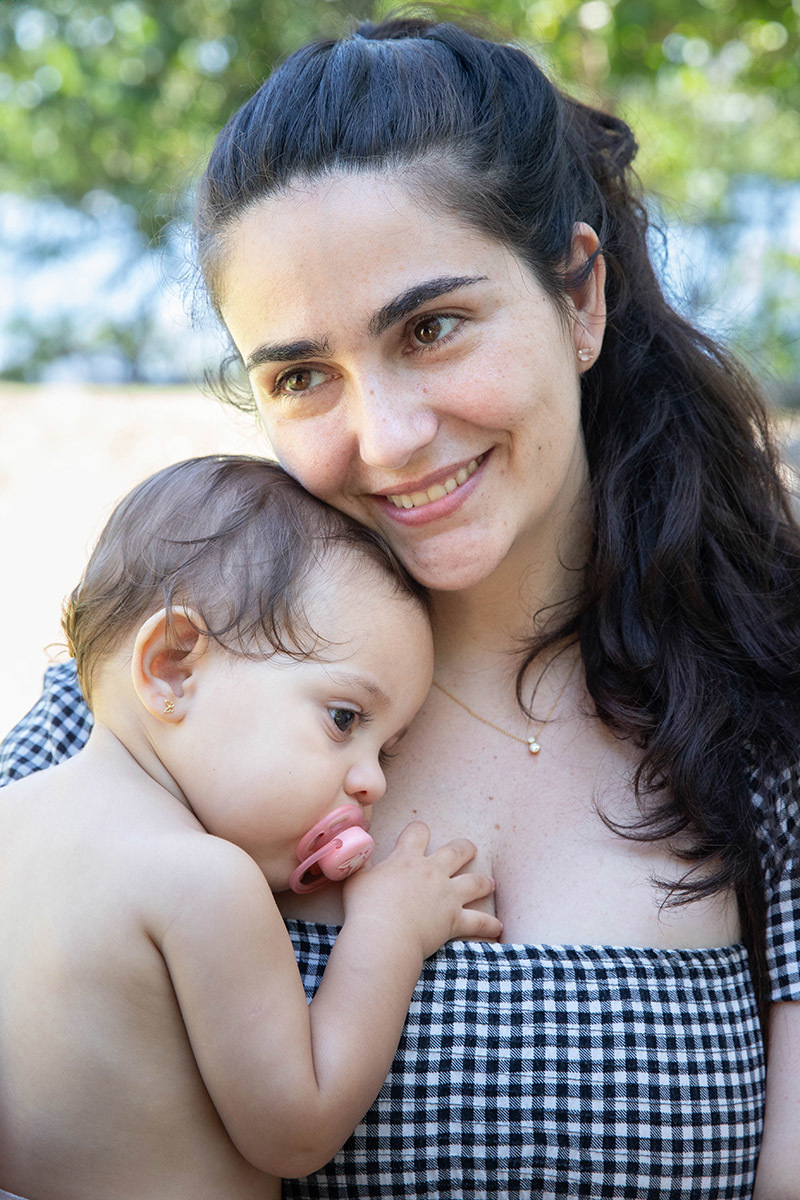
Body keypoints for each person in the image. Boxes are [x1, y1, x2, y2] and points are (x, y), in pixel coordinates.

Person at [3, 13, 800, 1198]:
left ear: (580, 297)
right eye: (301, 375)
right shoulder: (166, 694)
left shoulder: (762, 697)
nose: (383, 438)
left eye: (429, 329)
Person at [0, 454, 501, 1200]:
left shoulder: (13, 817)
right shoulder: (201, 878)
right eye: (345, 720)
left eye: (386, 749)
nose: (373, 781)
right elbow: (296, 1131)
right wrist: (389, 931)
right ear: (173, 668)